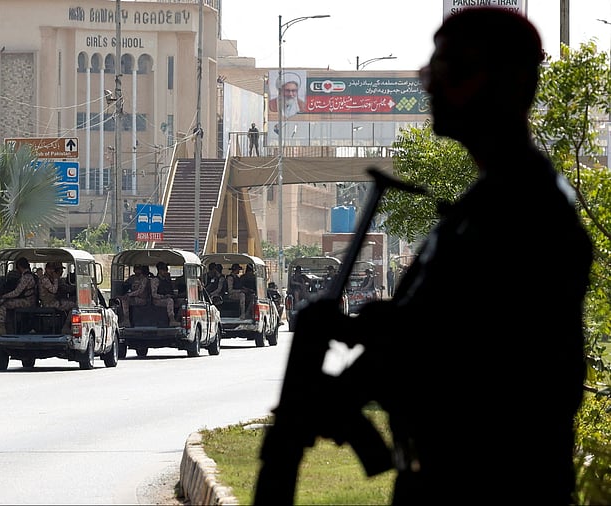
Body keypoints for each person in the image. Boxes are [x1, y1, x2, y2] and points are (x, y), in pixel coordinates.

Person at [259, 8, 593, 505]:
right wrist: (369, 326)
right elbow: (436, 324)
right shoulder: (485, 205)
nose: (431, 85)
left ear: (508, 82)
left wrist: (339, 391)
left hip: (491, 482)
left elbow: (463, 351)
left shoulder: (522, 208)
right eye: (430, 72)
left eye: (449, 71)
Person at [0, 257, 39, 330]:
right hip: (31, 300)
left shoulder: (26, 277)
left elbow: (16, 293)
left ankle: (2, 327)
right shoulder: (31, 275)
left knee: (2, 303)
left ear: (19, 266)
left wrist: (4, 296)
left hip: (28, 302)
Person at [149, 262, 180, 327]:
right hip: (157, 300)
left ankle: (178, 319)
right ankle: (172, 320)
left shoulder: (166, 280)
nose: (166, 272)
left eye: (166, 270)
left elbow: (171, 290)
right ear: (159, 270)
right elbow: (154, 294)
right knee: (170, 301)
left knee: (183, 302)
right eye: (164, 270)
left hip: (166, 298)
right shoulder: (155, 280)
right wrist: (164, 297)